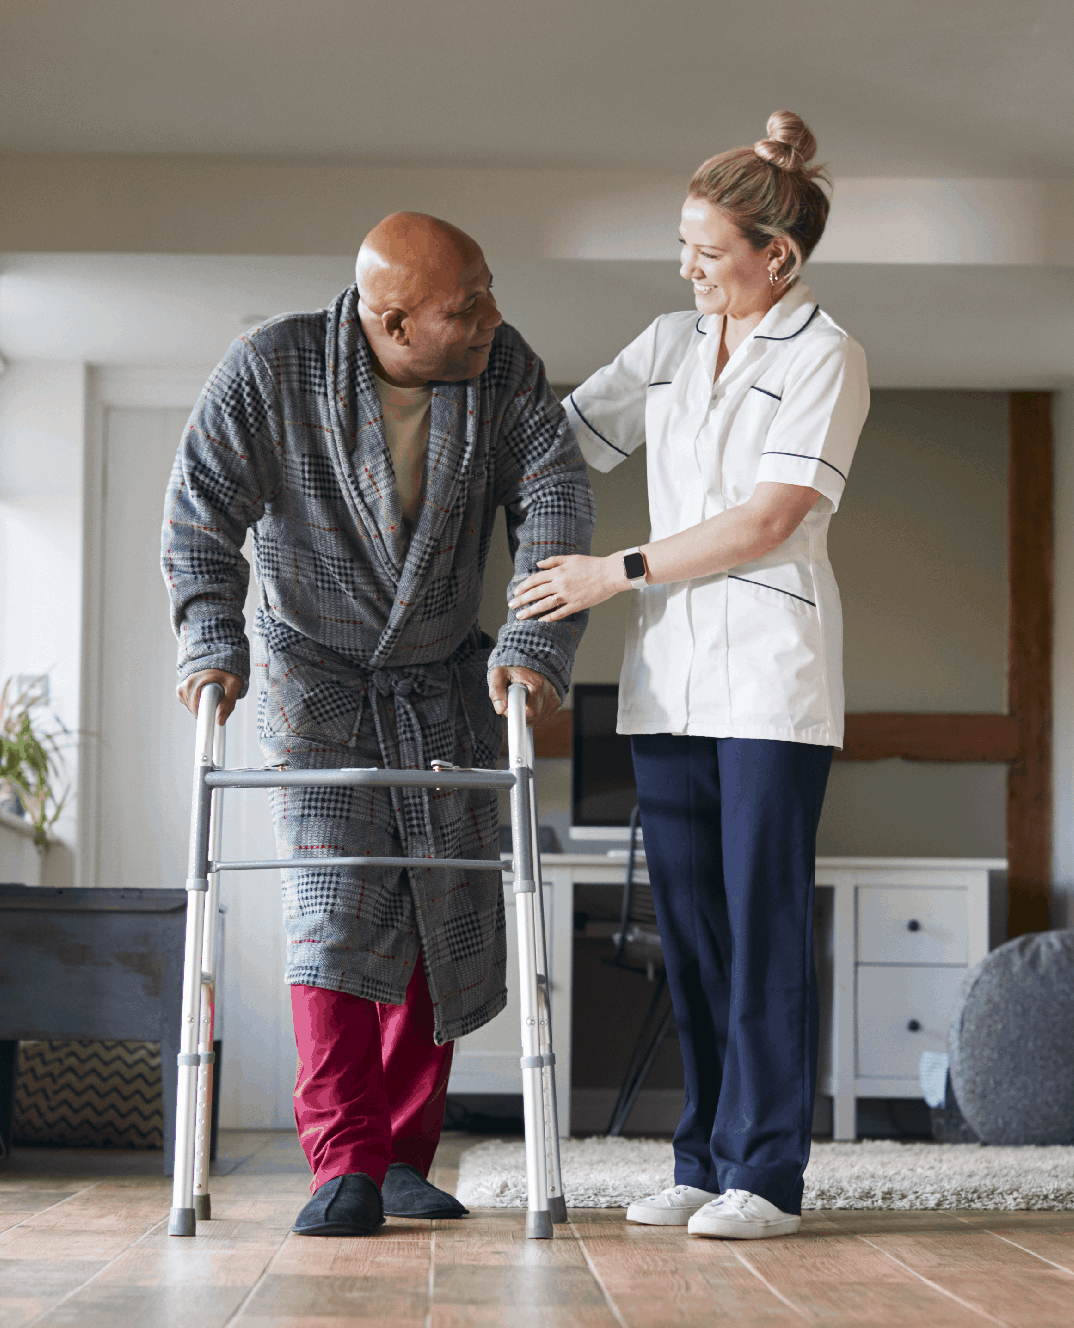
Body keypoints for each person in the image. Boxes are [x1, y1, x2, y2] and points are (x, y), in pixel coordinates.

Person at [165, 212, 593, 1238]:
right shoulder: (270, 367)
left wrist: (531, 653)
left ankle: (405, 1154)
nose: (493, 315)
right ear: (392, 320)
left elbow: (556, 504)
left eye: (489, 289)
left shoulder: (506, 372)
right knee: (334, 905)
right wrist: (210, 640)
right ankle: (344, 1159)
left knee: (438, 905)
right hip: (316, 675)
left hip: (442, 672)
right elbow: (200, 513)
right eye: (465, 305)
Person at [509, 112, 869, 1241]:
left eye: (708, 252)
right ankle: (702, 1156)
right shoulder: (669, 342)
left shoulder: (826, 355)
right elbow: (560, 436)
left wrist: (611, 569)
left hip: (770, 679)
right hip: (666, 681)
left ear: (780, 256)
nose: (687, 269)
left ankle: (767, 1174)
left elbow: (768, 518)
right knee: (692, 932)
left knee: (763, 928)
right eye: (684, 247)